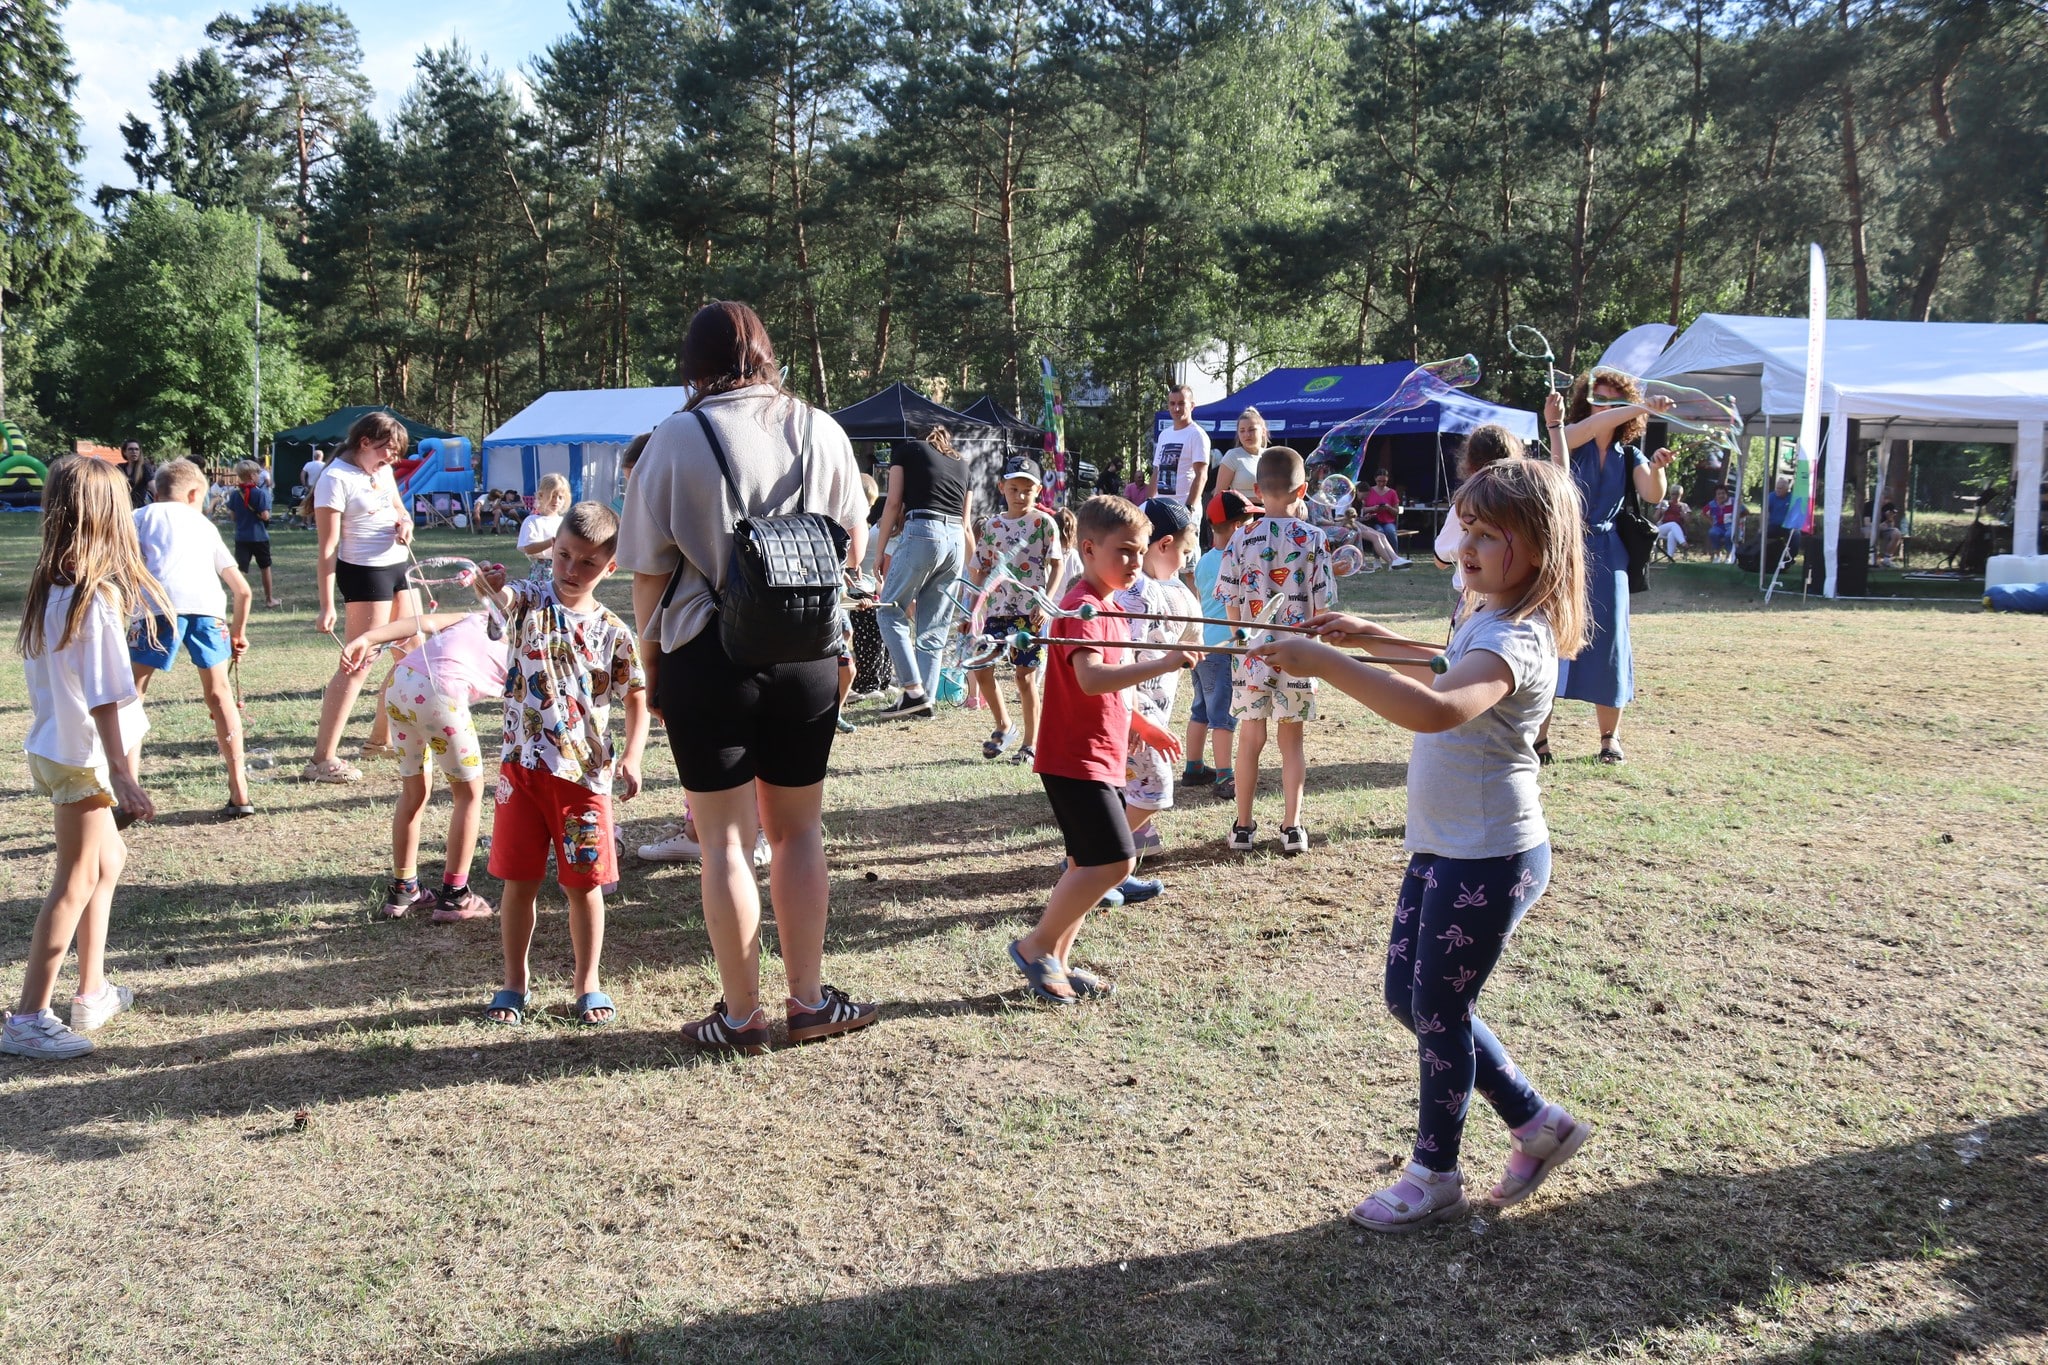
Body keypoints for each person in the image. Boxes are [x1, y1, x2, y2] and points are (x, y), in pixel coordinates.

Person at [1253, 457, 1592, 1231]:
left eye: (1489, 534)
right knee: (1409, 998)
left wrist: (1332, 664)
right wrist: (1373, 637)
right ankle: (1537, 1121)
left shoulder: (1518, 639)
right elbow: (1442, 667)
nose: (1466, 545)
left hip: (1492, 855)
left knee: (1440, 1005)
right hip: (1446, 844)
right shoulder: (1484, 613)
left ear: (1540, 548)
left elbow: (1440, 707)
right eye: (1465, 528)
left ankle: (1434, 1173)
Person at [619, 299, 874, 1053]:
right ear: (767, 354)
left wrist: (653, 664)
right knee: (798, 832)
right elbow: (853, 551)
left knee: (725, 842)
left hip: (706, 652)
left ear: (692, 368)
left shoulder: (675, 437)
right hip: (807, 654)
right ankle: (810, 1001)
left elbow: (647, 573)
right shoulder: (822, 428)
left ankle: (740, 1017)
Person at [4, 456, 165, 1059]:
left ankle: (92, 990)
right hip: (82, 759)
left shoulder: (53, 588)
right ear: (107, 516)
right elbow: (104, 696)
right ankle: (27, 1017)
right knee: (74, 880)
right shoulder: (92, 598)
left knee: (108, 859)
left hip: (62, 750)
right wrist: (122, 774)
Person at [1007, 495, 1188, 1005]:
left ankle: (1059, 961)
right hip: (1075, 757)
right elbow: (1090, 678)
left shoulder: (1109, 606)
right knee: (1115, 864)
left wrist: (1141, 724)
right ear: (1088, 548)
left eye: (1141, 552)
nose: (1135, 562)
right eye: (1124, 551)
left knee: (1085, 865)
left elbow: (1111, 688)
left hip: (1100, 756)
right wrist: (1165, 662)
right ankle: (1035, 946)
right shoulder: (1081, 606)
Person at [474, 502, 648, 1027]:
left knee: (584, 886)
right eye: (564, 555)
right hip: (521, 772)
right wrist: (490, 586)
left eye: (588, 562)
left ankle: (587, 983)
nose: (572, 569)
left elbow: (636, 697)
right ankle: (514, 983)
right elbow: (502, 598)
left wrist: (633, 755)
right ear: (552, 549)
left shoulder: (614, 632)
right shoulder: (529, 600)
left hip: (584, 779)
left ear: (610, 567)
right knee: (518, 882)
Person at [1537, 368, 1674, 766]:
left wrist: (1658, 467)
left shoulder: (1628, 454)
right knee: (1553, 638)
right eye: (1599, 398)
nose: (1606, 406)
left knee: (1611, 641)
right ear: (1586, 402)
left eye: (1615, 400)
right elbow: (1584, 430)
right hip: (1567, 549)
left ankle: (1609, 739)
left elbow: (1652, 493)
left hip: (1610, 552)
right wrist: (1641, 405)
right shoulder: (1570, 436)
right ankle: (1539, 740)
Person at [339, 601, 504, 923]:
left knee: (414, 791)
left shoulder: (474, 617)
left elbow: (420, 621)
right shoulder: (527, 647)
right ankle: (455, 897)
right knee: (469, 795)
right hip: (439, 695)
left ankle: (405, 890)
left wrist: (368, 638)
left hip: (400, 683)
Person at [1220, 446, 1336, 857]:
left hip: (1251, 655)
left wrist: (1240, 641)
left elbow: (1229, 599)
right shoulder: (1315, 539)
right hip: (1299, 653)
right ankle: (1292, 827)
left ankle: (1243, 827)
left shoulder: (1240, 537)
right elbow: (1323, 605)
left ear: (1256, 490)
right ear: (1302, 490)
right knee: (1292, 743)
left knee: (1250, 738)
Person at [128, 459, 256, 819]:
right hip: (207, 610)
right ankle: (240, 790)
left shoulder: (139, 517)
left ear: (155, 491)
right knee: (220, 695)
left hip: (155, 609)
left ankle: (129, 790)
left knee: (132, 696)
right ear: (194, 493)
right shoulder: (204, 525)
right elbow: (243, 591)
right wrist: (238, 633)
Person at [307, 411, 418, 783]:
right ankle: (322, 760)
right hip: (365, 575)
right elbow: (327, 549)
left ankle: (378, 741)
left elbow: (400, 509)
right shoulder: (335, 478)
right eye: (387, 450)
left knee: (412, 654)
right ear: (365, 442)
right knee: (358, 664)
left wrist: (405, 523)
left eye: (396, 453)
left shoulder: (381, 471)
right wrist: (326, 606)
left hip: (398, 567)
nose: (392, 459)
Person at [1114, 497, 1200, 867]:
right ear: (1164, 545)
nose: (1186, 561)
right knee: (1157, 786)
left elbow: (1192, 639)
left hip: (1154, 712)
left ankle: (1133, 843)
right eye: (1185, 552)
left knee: (1135, 782)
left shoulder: (1174, 589)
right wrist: (1134, 718)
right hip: (1135, 714)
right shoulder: (1135, 594)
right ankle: (1095, 854)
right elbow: (1121, 660)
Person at [964, 453, 1063, 764]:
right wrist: (972, 609)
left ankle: (1030, 744)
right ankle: (1004, 724)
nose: (1020, 496)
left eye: (1027, 490)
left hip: (1030, 613)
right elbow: (979, 569)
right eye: (1014, 489)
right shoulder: (991, 526)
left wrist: (1045, 602)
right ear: (1001, 487)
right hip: (996, 610)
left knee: (1025, 677)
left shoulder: (1043, 523)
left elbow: (1057, 564)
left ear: (1038, 491)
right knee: (982, 668)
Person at [871, 424, 974, 720]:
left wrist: (879, 551)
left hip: (923, 531)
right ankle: (921, 702)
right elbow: (967, 524)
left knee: (889, 611)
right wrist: (974, 569)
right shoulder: (963, 465)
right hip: (955, 541)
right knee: (933, 626)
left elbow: (893, 503)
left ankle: (914, 691)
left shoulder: (907, 450)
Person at [1184, 489, 1253, 800]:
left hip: (1202, 646)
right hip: (1224, 649)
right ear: (1237, 527)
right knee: (1223, 716)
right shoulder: (1236, 561)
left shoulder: (1204, 561)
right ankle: (1225, 776)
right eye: (1248, 525)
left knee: (1200, 709)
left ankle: (1194, 767)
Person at [1434, 420, 1540, 597]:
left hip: (1477, 597)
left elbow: (1441, 560)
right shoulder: (1526, 500)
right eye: (1466, 531)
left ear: (1470, 463)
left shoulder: (1465, 506)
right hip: (1520, 595)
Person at [229, 460, 282, 607]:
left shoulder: (235, 494)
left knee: (241, 570)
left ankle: (237, 600)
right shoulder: (260, 493)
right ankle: (269, 599)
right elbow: (265, 515)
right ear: (252, 475)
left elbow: (233, 517)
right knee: (265, 567)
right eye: (258, 473)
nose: (259, 476)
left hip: (241, 536)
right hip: (259, 537)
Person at [519, 474, 571, 580]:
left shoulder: (565, 522)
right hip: (541, 570)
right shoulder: (533, 521)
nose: (556, 501)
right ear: (541, 496)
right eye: (552, 496)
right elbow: (529, 548)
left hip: (563, 568)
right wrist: (552, 541)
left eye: (560, 497)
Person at [1212, 408, 1267, 504]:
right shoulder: (1232, 456)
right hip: (1243, 511)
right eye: (1242, 431)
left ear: (1263, 431)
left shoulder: (1270, 456)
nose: (1247, 434)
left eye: (1252, 430)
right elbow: (1218, 495)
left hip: (1270, 511)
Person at [1361, 468, 1401, 541]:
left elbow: (1396, 512)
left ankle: (1392, 549)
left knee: (1390, 532)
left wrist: (1388, 507)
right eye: (1379, 481)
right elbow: (1361, 509)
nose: (1381, 484)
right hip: (1372, 521)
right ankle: (1379, 549)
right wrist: (1372, 508)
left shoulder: (1392, 493)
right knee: (1379, 532)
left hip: (1388, 522)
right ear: (1375, 479)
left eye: (1384, 481)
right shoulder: (1369, 491)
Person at [1655, 493, 1690, 562]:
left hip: (1678, 533)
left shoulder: (1684, 506)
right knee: (1673, 524)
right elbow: (1655, 518)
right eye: (1673, 494)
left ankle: (1670, 558)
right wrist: (1660, 510)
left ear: (1681, 495)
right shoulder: (1664, 503)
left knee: (1672, 534)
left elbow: (1688, 521)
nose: (1675, 496)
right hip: (1661, 530)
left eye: (1677, 494)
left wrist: (1683, 514)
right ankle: (1683, 543)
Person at [1706, 484, 1737, 562]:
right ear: (1716, 495)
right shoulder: (1712, 504)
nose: (1721, 496)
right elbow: (1703, 513)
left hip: (1731, 525)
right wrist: (1711, 522)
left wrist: (1738, 520)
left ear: (1726, 494)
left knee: (1729, 535)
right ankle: (1718, 555)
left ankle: (1728, 556)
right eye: (1718, 494)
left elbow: (1745, 512)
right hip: (1718, 526)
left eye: (1723, 493)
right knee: (1712, 533)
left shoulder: (1733, 501)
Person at [120, 440, 154, 509]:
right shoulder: (120, 468)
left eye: (136, 449)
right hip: (122, 507)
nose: (134, 452)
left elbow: (153, 487)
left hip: (139, 508)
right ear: (124, 452)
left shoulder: (144, 468)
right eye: (130, 449)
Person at [1875, 500, 1904, 567]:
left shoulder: (1890, 507)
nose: (1893, 514)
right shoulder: (1872, 506)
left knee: (1897, 533)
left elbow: (1891, 526)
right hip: (1872, 529)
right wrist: (1879, 526)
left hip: (1884, 531)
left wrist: (1889, 518)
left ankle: (1887, 559)